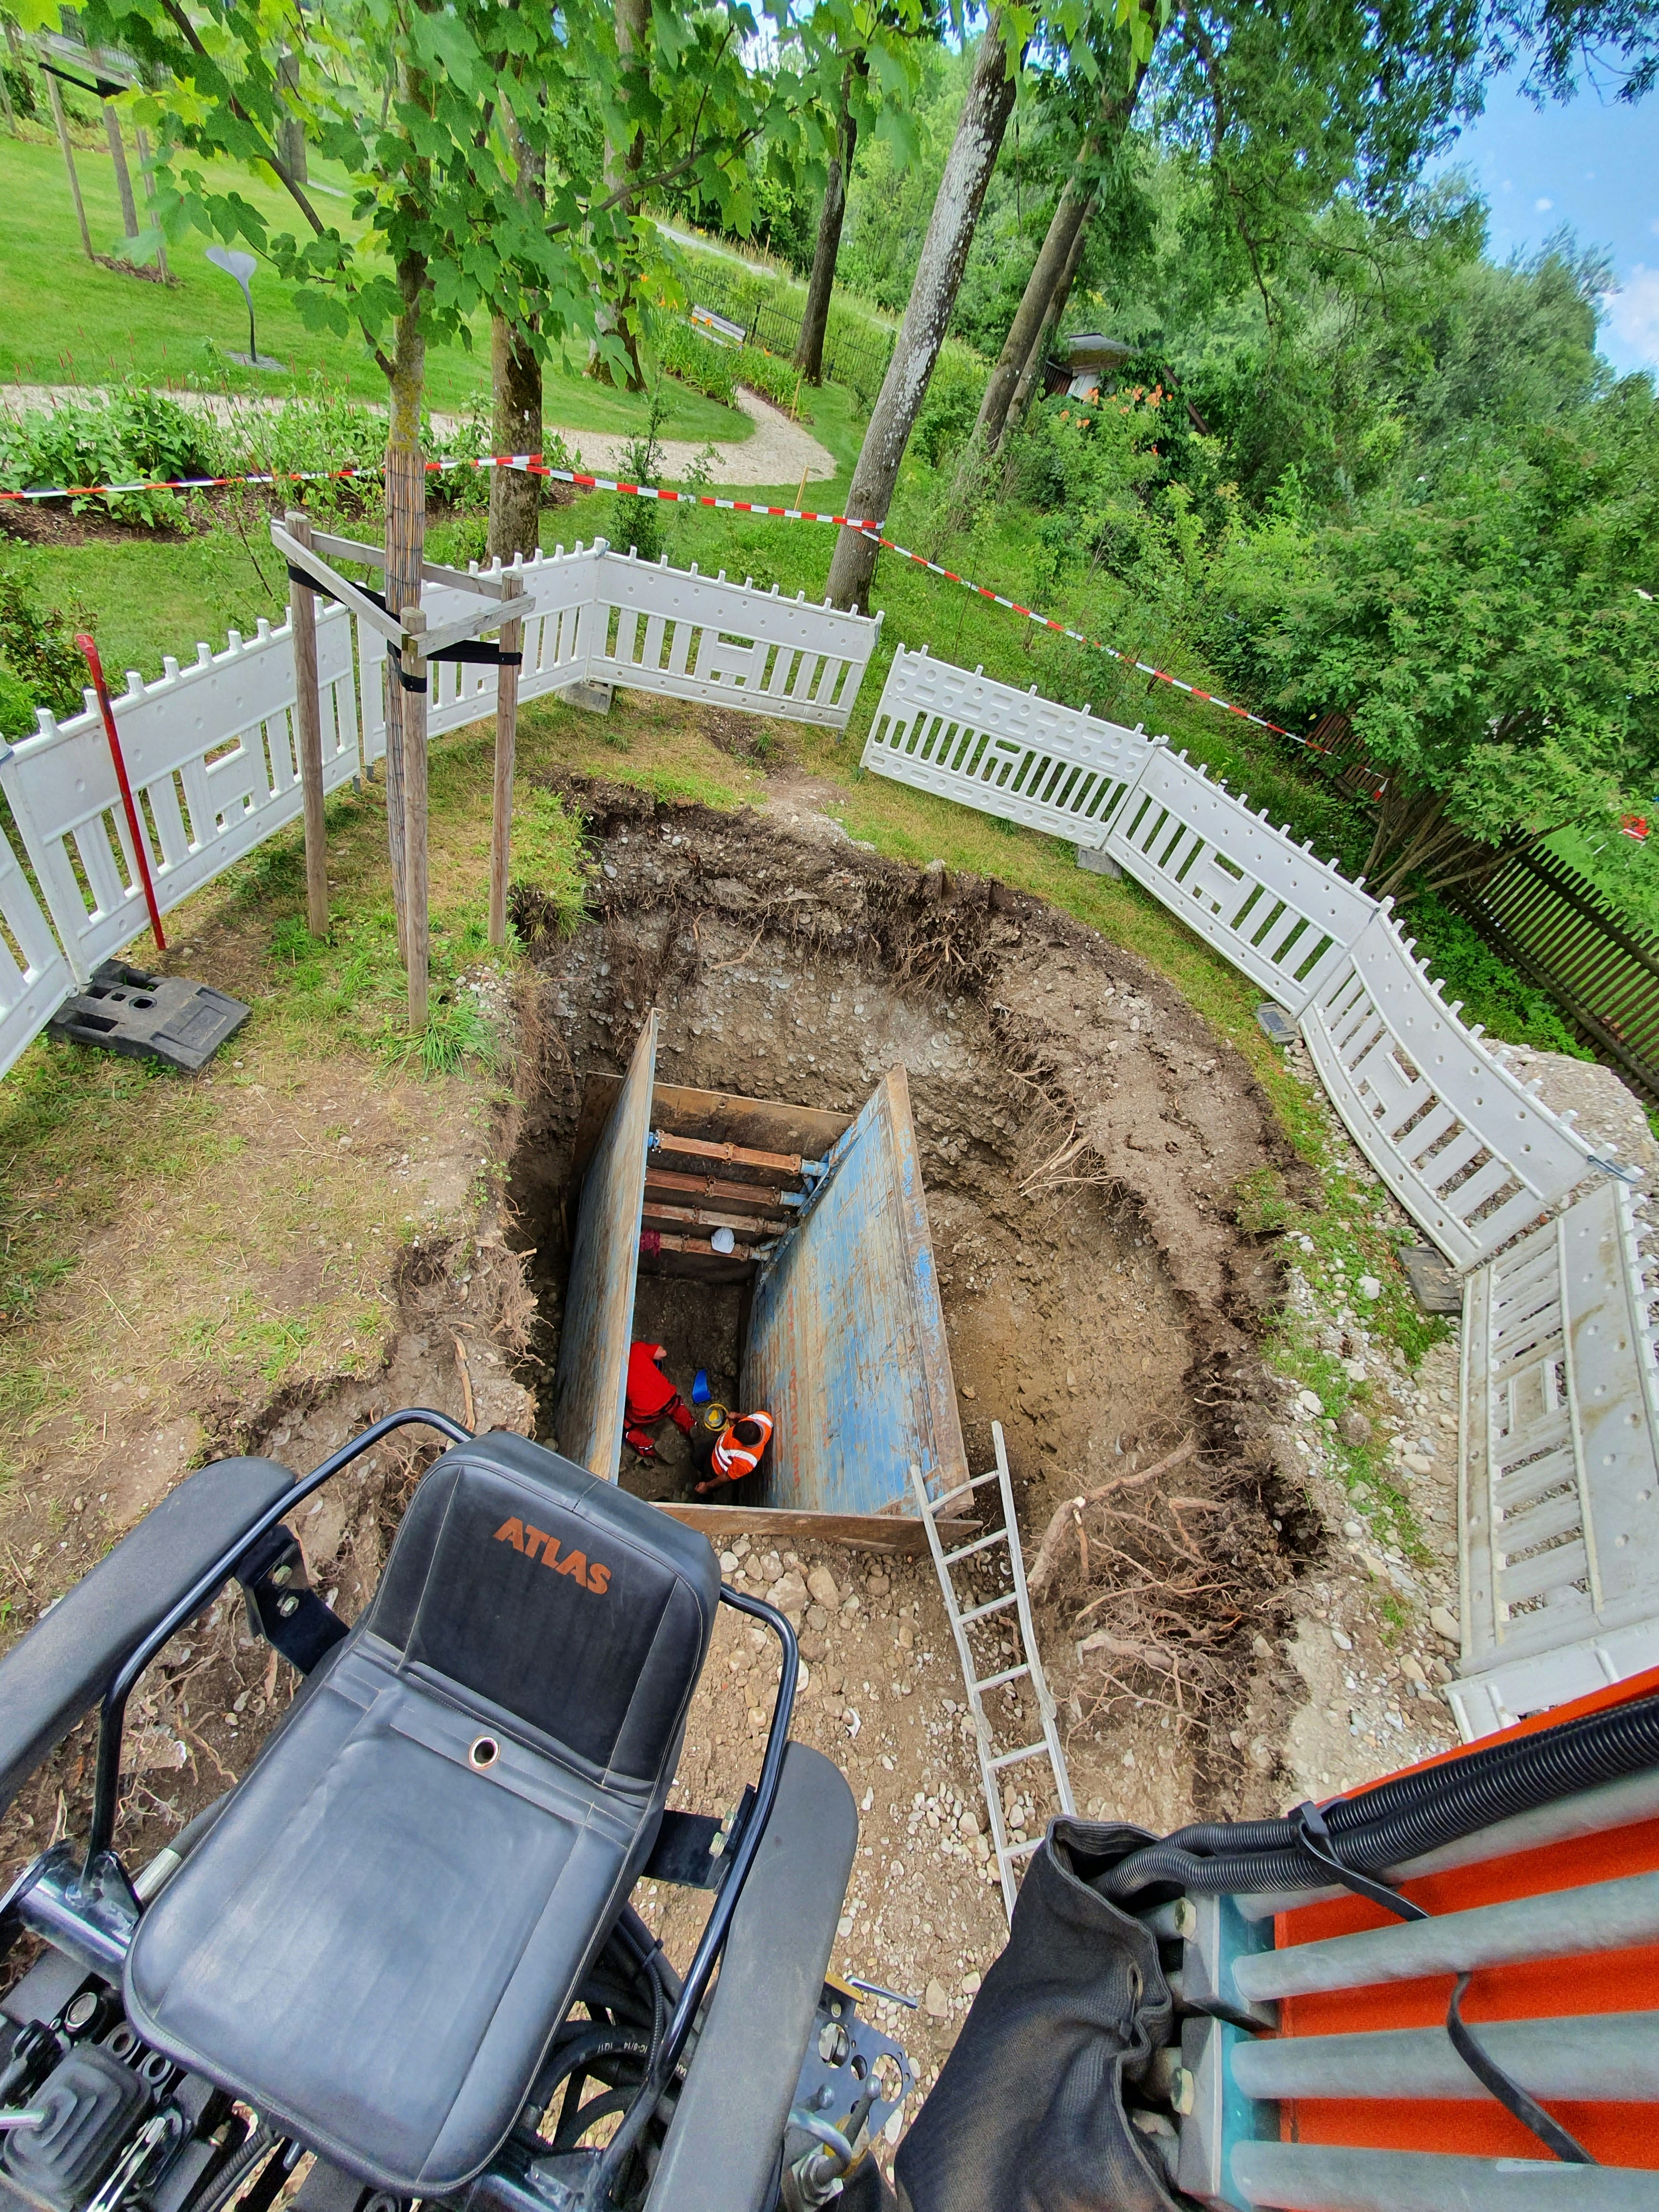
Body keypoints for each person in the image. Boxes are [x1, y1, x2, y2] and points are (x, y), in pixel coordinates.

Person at [624, 1341, 695, 1462]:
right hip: (670, 1400)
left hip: (647, 1413)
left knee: (627, 1429)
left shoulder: (614, 1371)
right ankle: (691, 1426)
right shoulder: (636, 1348)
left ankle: (650, 1447)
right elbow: (662, 1353)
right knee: (677, 1405)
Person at [693, 1409, 774, 1495]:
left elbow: (727, 1477)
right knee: (695, 1458)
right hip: (717, 1446)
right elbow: (749, 1416)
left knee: (704, 1480)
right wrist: (737, 1415)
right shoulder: (764, 1418)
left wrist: (707, 1486)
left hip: (716, 1468)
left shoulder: (747, 1461)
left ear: (745, 1446)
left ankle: (705, 1497)